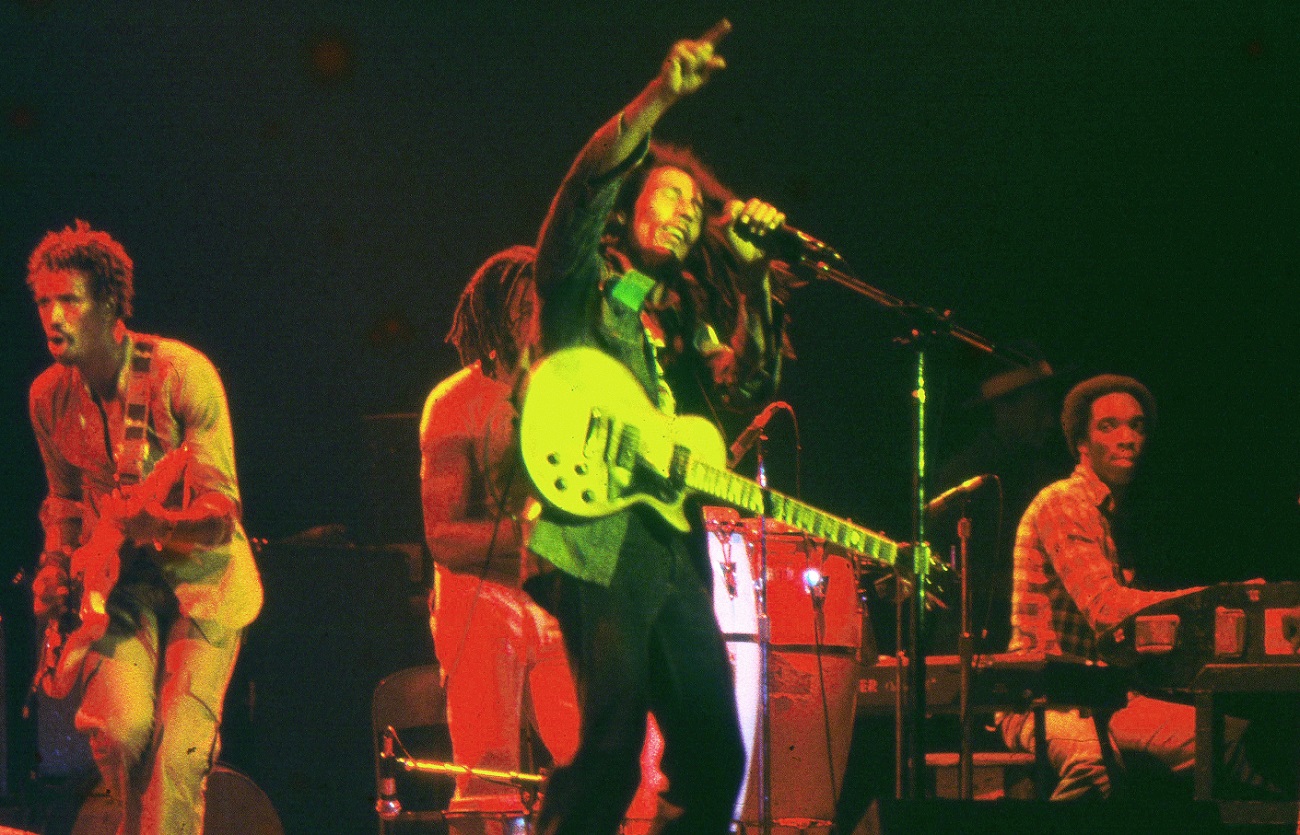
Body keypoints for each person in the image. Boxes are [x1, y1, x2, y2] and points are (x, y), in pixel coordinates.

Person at [524, 20, 789, 835]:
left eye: (691, 206)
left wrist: (757, 286)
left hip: (675, 547)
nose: (680, 212)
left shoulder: (683, 331)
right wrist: (661, 97)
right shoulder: (582, 298)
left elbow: (751, 386)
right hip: (599, 535)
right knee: (610, 741)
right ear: (626, 212)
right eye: (663, 195)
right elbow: (581, 190)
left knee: (716, 754)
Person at [27, 220, 263, 834]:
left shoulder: (181, 374)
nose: (53, 315)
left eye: (69, 299)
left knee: (178, 758)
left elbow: (219, 520)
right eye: (44, 301)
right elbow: (63, 502)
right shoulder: (48, 396)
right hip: (121, 590)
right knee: (118, 729)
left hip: (203, 585)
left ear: (108, 305)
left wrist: (153, 520)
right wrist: (54, 567)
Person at [999, 374, 1232, 799]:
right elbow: (1107, 608)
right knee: (1092, 764)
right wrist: (1212, 604)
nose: (1127, 438)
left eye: (1137, 426)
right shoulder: (1065, 502)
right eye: (1109, 426)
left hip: (1101, 699)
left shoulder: (1108, 516)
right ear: (1081, 443)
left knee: (1227, 738)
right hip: (1042, 701)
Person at [419, 245, 581, 813]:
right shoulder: (456, 402)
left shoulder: (575, 390)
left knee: (602, 761)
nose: (537, 317)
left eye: (543, 304)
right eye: (522, 307)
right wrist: (536, 538)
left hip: (560, 594)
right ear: (496, 316)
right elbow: (442, 536)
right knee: (489, 782)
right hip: (480, 599)